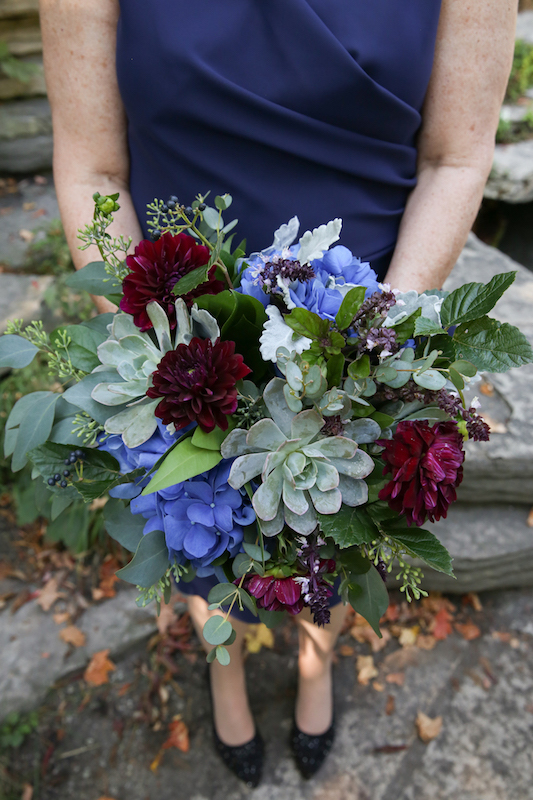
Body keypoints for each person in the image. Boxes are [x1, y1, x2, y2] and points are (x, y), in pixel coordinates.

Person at [39, 0, 516, 785]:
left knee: (329, 517)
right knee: (193, 516)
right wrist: (155, 354)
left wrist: (368, 356)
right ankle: (222, 664)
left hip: (357, 311)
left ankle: (314, 662)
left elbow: (453, 160)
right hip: (179, 321)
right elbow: (94, 168)